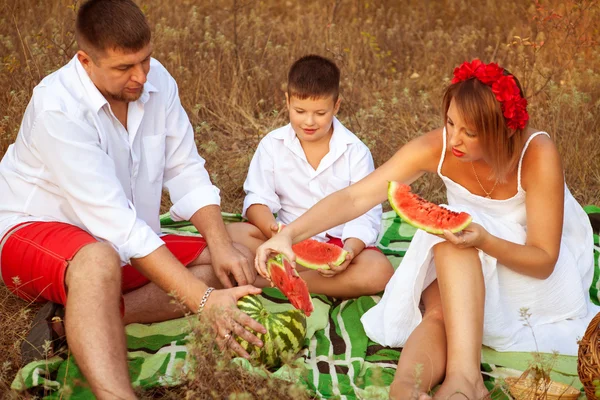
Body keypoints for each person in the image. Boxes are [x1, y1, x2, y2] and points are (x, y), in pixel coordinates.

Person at [255, 59, 595, 399]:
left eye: (470, 132)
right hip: (466, 260)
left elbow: (543, 260)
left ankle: (466, 383)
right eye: (450, 122)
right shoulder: (440, 146)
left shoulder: (537, 153)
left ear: (504, 129)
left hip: (532, 272)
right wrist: (289, 235)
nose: (454, 139)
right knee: (436, 309)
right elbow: (356, 197)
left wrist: (485, 240)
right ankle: (406, 389)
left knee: (451, 243)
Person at [0, 1, 266, 398]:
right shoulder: (58, 108)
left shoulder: (155, 80)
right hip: (33, 236)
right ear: (85, 61)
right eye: (124, 68)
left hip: (119, 239)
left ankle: (67, 323)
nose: (141, 76)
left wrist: (221, 245)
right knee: (101, 261)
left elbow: (186, 169)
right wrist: (204, 302)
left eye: (145, 59)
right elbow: (117, 226)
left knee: (241, 252)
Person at [226, 55, 394, 298]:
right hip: (284, 239)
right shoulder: (273, 144)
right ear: (287, 101)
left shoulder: (355, 152)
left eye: (320, 113)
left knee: (378, 271)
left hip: (338, 243)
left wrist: (349, 251)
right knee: (232, 234)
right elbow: (257, 200)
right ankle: (294, 275)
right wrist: (277, 234)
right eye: (300, 111)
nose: (309, 121)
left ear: (336, 106)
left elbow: (366, 213)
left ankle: (271, 282)